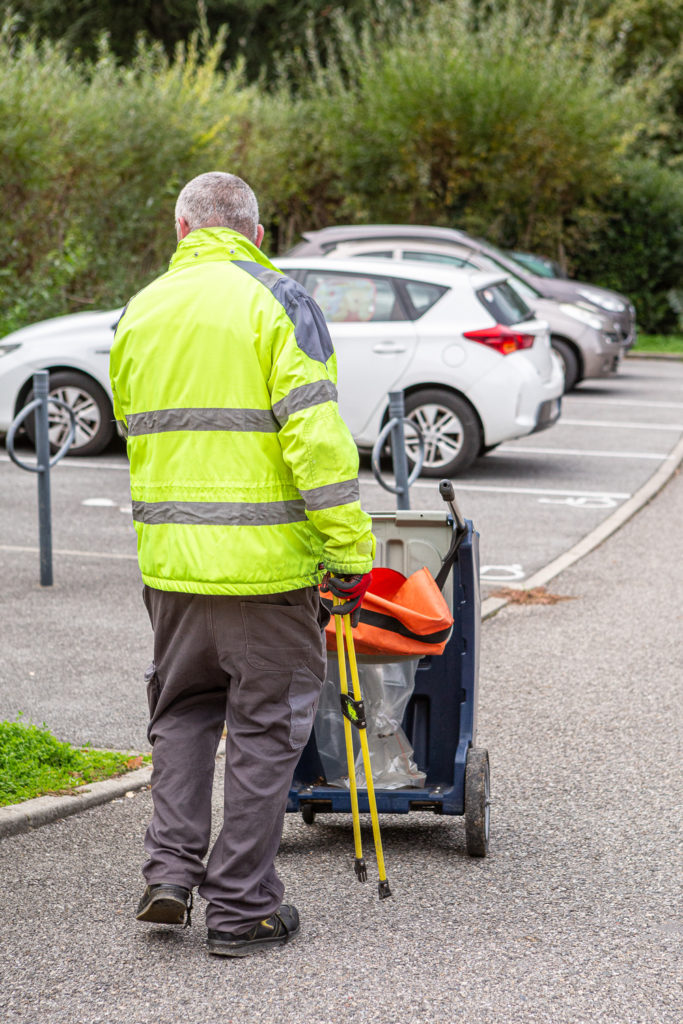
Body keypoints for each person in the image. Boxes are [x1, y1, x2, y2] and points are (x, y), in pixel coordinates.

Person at [109, 171, 374, 957]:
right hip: (267, 574)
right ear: (256, 234)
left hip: (172, 572)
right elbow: (317, 444)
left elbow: (135, 427)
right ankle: (241, 908)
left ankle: (168, 875)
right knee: (262, 732)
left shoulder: (138, 312)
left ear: (182, 229)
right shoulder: (279, 300)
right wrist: (349, 555)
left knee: (183, 715)